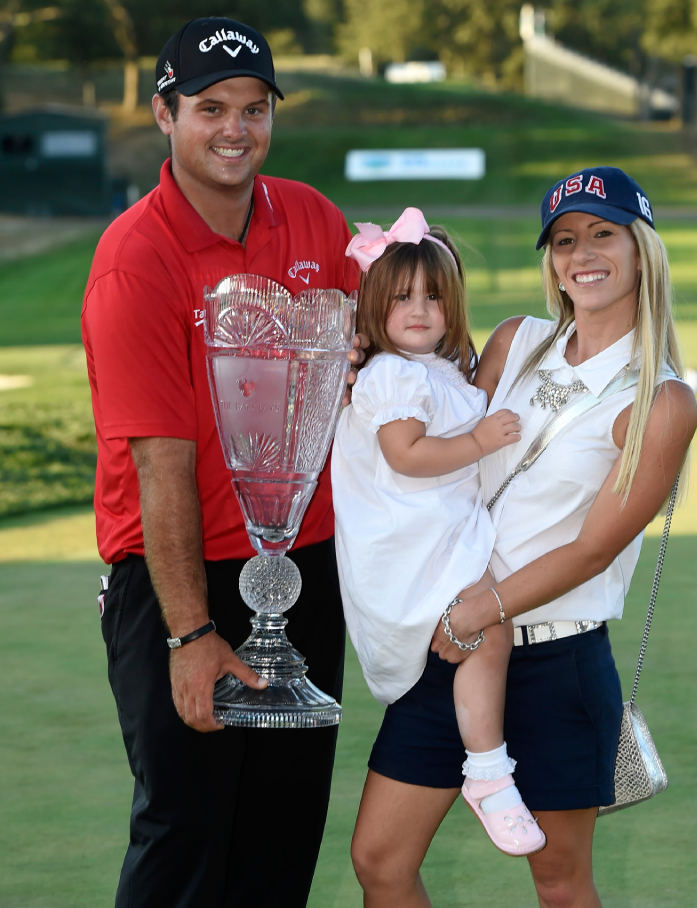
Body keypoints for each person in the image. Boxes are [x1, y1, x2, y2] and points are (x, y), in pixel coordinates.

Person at [348, 167, 697, 908]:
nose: (583, 254)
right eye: (565, 240)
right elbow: (432, 419)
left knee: (561, 884)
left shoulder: (661, 399)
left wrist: (480, 612)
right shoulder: (517, 339)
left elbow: (592, 549)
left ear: (642, 250)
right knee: (380, 861)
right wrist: (370, 368)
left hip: (552, 660)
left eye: (604, 234)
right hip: (449, 646)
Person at [81, 17, 362, 908]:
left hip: (304, 569)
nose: (235, 129)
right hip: (180, 578)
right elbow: (162, 462)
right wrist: (192, 635)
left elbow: (388, 348)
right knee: (185, 835)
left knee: (283, 833)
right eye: (211, 108)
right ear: (166, 114)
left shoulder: (313, 216)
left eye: (253, 108)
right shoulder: (135, 259)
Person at [331, 207, 546, 857]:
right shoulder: (390, 374)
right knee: (492, 627)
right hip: (411, 547)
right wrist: (480, 438)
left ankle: (486, 766)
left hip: (441, 534)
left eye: (433, 295)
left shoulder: (442, 371)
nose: (419, 309)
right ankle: (487, 771)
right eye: (401, 298)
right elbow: (408, 455)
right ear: (374, 307)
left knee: (491, 628)